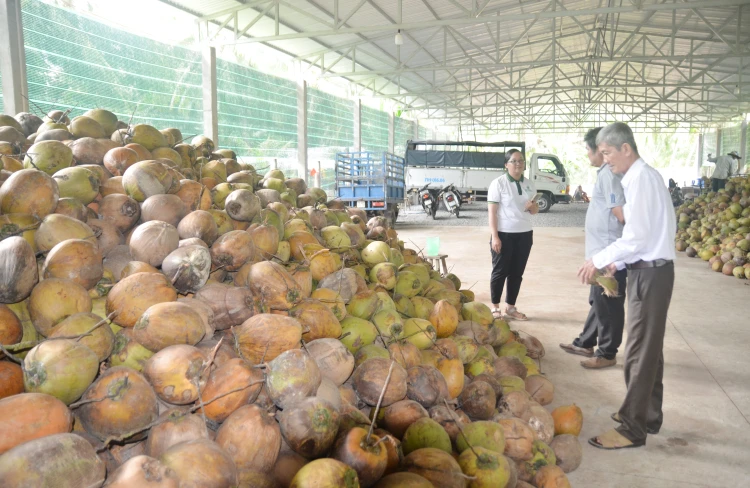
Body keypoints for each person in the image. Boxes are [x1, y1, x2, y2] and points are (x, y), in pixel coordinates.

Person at [578, 122, 676, 450]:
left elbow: (637, 237)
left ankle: (633, 428)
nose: (604, 158)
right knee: (649, 349)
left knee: (638, 351)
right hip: (646, 270)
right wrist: (615, 263)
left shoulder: (642, 179)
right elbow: (640, 236)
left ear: (626, 149)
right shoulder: (635, 179)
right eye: (601, 153)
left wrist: (600, 258)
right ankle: (649, 415)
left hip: (652, 274)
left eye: (607, 152)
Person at [560, 127, 626, 369]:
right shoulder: (604, 174)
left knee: (608, 303)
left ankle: (607, 353)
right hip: (600, 252)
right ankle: (585, 342)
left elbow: (620, 213)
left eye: (588, 150)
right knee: (598, 301)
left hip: (608, 254)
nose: (587, 154)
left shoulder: (608, 175)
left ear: (600, 150)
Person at [487, 149, 539, 321]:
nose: (518, 164)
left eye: (521, 161)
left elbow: (535, 211)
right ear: (506, 164)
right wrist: (495, 236)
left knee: (517, 272)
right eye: (514, 161)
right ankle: (495, 307)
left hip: (524, 234)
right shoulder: (498, 183)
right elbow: (492, 213)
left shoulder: (529, 184)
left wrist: (532, 207)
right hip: (504, 234)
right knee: (500, 271)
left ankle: (510, 307)